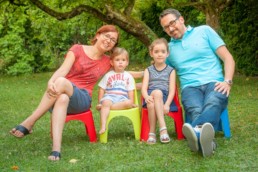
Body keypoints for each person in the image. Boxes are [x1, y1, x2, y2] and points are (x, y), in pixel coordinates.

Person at [9, 25, 120, 161]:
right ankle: (56, 150)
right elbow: (63, 70)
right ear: (98, 35)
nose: (109, 41)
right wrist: (51, 82)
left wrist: (148, 75)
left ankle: (30, 122)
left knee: (61, 82)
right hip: (59, 95)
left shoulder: (107, 62)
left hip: (82, 99)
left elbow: (124, 73)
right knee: (62, 98)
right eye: (107, 36)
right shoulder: (77, 49)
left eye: (113, 40)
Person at [159, 9, 235, 157]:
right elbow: (159, 70)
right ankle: (207, 141)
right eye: (166, 27)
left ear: (181, 19)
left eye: (172, 23)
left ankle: (195, 131)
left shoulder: (204, 31)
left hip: (215, 82)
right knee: (194, 108)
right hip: (190, 87)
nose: (170, 29)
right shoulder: (169, 50)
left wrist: (228, 81)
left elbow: (228, 58)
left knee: (213, 101)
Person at [141, 38, 177, 144]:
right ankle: (163, 128)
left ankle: (152, 133)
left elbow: (172, 90)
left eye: (163, 51)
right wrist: (146, 97)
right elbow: (144, 88)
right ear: (151, 53)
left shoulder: (171, 71)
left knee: (153, 102)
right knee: (156, 93)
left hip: (165, 97)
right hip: (151, 94)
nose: (159, 54)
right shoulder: (148, 70)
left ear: (167, 53)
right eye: (156, 52)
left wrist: (167, 105)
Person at [96, 47, 136, 134]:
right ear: (112, 62)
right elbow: (101, 89)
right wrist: (100, 102)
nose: (120, 62)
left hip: (122, 98)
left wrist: (131, 102)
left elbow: (130, 91)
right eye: (117, 60)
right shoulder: (108, 75)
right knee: (106, 102)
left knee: (128, 103)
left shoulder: (128, 76)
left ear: (127, 63)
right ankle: (103, 126)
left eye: (123, 60)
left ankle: (105, 108)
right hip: (110, 97)